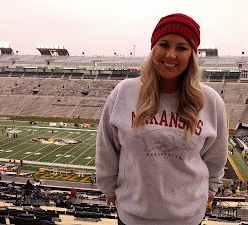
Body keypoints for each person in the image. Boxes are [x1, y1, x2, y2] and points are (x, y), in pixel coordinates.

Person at [95, 13, 228, 225]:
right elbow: (106, 147)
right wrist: (108, 188)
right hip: (133, 215)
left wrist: (210, 189)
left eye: (182, 48)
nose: (171, 55)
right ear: (153, 48)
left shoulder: (211, 101)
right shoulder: (124, 92)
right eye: (164, 44)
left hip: (187, 217)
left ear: (192, 54)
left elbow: (215, 157)